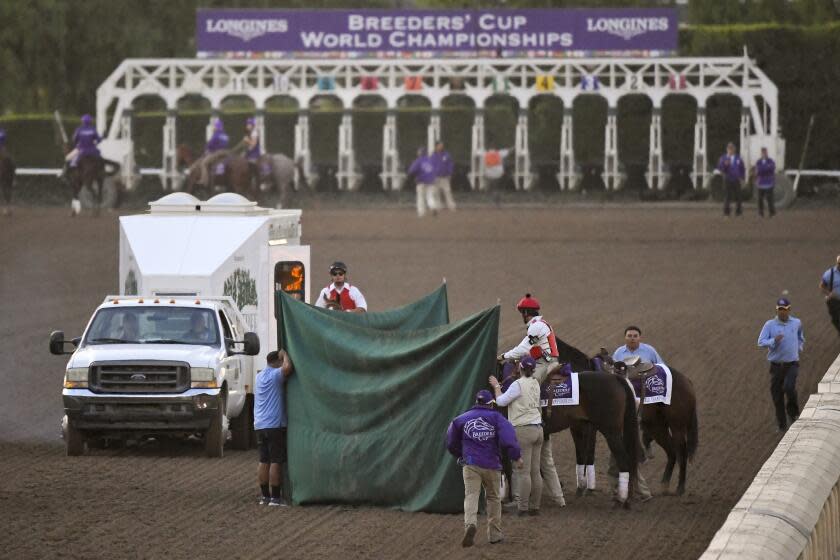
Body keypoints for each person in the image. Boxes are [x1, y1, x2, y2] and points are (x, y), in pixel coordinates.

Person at [445, 389, 522, 547]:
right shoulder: (496, 418)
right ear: (490, 403)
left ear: (476, 401)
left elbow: (450, 442)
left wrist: (461, 454)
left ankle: (470, 524)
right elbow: (509, 438)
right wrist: (516, 456)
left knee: (471, 495)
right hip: (491, 464)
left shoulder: (461, 419)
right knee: (493, 498)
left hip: (470, 463)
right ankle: (495, 534)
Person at [489, 356, 543, 517]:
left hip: (523, 430)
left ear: (519, 367)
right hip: (538, 429)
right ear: (533, 369)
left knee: (523, 471)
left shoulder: (517, 385)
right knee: (535, 471)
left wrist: (496, 386)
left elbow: (500, 401)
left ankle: (523, 507)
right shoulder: (535, 383)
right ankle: (535, 506)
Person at [757, 297, 805, 432]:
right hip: (776, 366)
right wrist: (773, 341)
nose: (782, 312)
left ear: (789, 309)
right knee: (777, 395)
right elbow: (761, 342)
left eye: (785, 309)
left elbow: (801, 337)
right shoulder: (769, 325)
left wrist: (799, 347)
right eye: (780, 310)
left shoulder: (796, 323)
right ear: (777, 310)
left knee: (789, 387)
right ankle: (782, 425)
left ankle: (794, 414)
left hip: (792, 364)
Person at [255, 349, 294, 506]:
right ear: (276, 363)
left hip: (259, 424)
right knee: (276, 461)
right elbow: (288, 368)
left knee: (263, 460)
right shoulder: (275, 375)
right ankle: (276, 498)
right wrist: (285, 355)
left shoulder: (259, 376)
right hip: (274, 425)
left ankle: (265, 496)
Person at [499, 294, 559, 384]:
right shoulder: (537, 325)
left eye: (522, 313)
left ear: (526, 312)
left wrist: (503, 356)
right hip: (541, 360)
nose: (522, 315)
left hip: (546, 362)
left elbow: (523, 349)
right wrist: (513, 359)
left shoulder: (536, 326)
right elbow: (526, 349)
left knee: (528, 383)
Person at [715, 142, 745, 217]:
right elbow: (720, 168)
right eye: (729, 148)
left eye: (732, 148)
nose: (731, 150)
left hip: (736, 179)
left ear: (734, 149)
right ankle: (726, 213)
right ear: (727, 149)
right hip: (727, 179)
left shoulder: (738, 158)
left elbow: (742, 169)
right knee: (727, 196)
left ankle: (738, 212)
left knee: (738, 196)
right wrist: (725, 165)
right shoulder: (723, 158)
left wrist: (742, 177)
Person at [408, 147, 439, 218]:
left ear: (420, 153)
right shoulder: (431, 160)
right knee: (430, 196)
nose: (417, 153)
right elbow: (435, 170)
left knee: (420, 197)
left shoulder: (418, 161)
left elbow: (411, 171)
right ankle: (433, 206)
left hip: (421, 181)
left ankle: (421, 213)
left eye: (418, 152)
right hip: (431, 181)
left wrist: (414, 176)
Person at [199, 120, 230, 188]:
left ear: (217, 127)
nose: (214, 128)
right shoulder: (225, 135)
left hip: (218, 153)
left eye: (215, 126)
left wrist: (207, 150)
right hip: (226, 152)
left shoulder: (216, 134)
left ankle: (204, 181)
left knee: (204, 163)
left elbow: (210, 144)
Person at [431, 141, 456, 211]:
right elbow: (431, 166)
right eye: (439, 145)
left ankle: (451, 206)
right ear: (436, 146)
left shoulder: (446, 155)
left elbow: (450, 164)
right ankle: (438, 206)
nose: (441, 147)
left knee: (447, 191)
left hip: (445, 177)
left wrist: (450, 173)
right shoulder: (433, 156)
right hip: (435, 177)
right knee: (436, 192)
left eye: (442, 145)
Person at [753, 147, 776, 218]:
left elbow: (772, 168)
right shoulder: (758, 161)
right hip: (760, 183)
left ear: (767, 153)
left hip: (769, 183)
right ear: (761, 153)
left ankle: (772, 213)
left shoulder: (771, 161)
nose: (764, 154)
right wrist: (765, 168)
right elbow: (757, 171)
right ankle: (760, 214)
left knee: (770, 199)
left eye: (765, 152)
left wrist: (762, 169)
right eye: (763, 153)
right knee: (760, 200)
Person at [820, 255, 840, 336]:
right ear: (837, 263)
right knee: (836, 319)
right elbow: (821, 286)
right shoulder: (829, 273)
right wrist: (829, 294)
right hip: (834, 301)